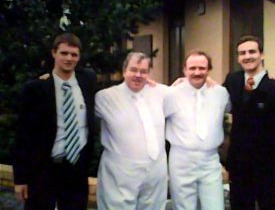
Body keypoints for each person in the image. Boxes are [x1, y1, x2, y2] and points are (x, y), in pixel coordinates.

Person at [13, 33, 97, 210]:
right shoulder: (36, 89)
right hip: (44, 168)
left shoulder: (87, 80)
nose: (69, 58)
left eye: (74, 54)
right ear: (54, 53)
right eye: (64, 53)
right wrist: (20, 178)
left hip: (76, 167)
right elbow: (22, 135)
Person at [223, 35, 275, 210]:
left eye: (252, 51)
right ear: (238, 58)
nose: (247, 56)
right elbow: (213, 93)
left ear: (262, 55)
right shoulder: (233, 80)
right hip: (239, 166)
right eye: (242, 53)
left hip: (269, 167)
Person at [95, 52, 168, 210]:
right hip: (120, 174)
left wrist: (202, 80)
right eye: (133, 70)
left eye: (143, 71)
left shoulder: (161, 93)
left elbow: (188, 92)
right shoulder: (105, 97)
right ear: (124, 71)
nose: (138, 75)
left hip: (155, 173)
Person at [164, 50, 230, 210]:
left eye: (202, 68)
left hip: (210, 159)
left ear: (208, 69)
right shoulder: (170, 94)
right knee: (183, 206)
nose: (197, 72)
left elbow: (242, 104)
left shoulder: (220, 93)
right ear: (184, 70)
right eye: (192, 68)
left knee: (215, 206)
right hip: (181, 159)